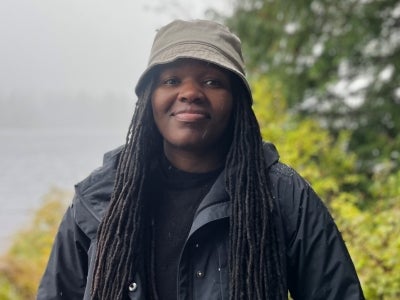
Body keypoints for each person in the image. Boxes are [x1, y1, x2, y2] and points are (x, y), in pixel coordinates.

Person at [37, 19, 365, 300]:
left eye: (211, 81)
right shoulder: (99, 200)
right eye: (171, 80)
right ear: (149, 99)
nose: (190, 92)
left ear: (237, 100)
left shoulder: (281, 196)